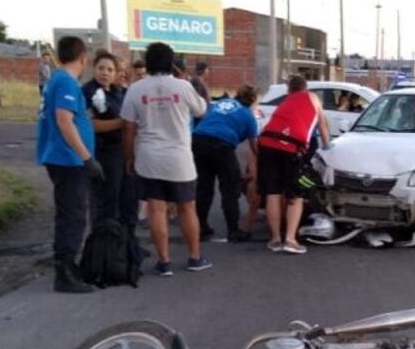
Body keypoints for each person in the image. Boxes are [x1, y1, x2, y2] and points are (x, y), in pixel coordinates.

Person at [121, 41, 210, 276]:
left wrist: (129, 157)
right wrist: (183, 78)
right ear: (172, 63)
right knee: (187, 208)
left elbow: (128, 129)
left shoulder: (136, 89)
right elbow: (202, 109)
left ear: (147, 63)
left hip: (149, 158)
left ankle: (164, 262)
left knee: (156, 210)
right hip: (179, 159)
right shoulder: (182, 86)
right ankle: (194, 257)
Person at [36, 36, 103, 294]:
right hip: (68, 160)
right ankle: (64, 273)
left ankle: (68, 266)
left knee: (70, 214)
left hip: (63, 158)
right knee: (73, 216)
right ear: (83, 59)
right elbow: (64, 121)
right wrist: (87, 158)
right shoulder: (65, 81)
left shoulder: (55, 78)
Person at [257, 75, 330, 254]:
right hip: (291, 145)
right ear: (305, 88)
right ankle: (290, 239)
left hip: (267, 142)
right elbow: (322, 125)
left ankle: (274, 239)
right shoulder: (312, 98)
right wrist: (327, 145)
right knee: (295, 193)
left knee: (273, 193)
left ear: (289, 90)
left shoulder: (286, 101)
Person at [192, 84, 260, 243]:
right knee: (230, 187)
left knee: (204, 187)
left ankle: (200, 227)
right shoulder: (248, 115)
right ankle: (233, 230)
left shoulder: (218, 104)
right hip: (221, 145)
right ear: (252, 100)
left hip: (198, 141)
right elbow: (254, 146)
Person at [82, 50, 137, 232]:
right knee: (106, 204)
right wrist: (122, 122)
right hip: (103, 153)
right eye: (101, 68)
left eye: (110, 70)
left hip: (122, 152)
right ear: (94, 69)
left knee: (128, 201)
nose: (105, 73)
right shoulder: (88, 91)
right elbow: (91, 125)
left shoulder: (117, 92)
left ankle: (127, 247)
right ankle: (104, 250)